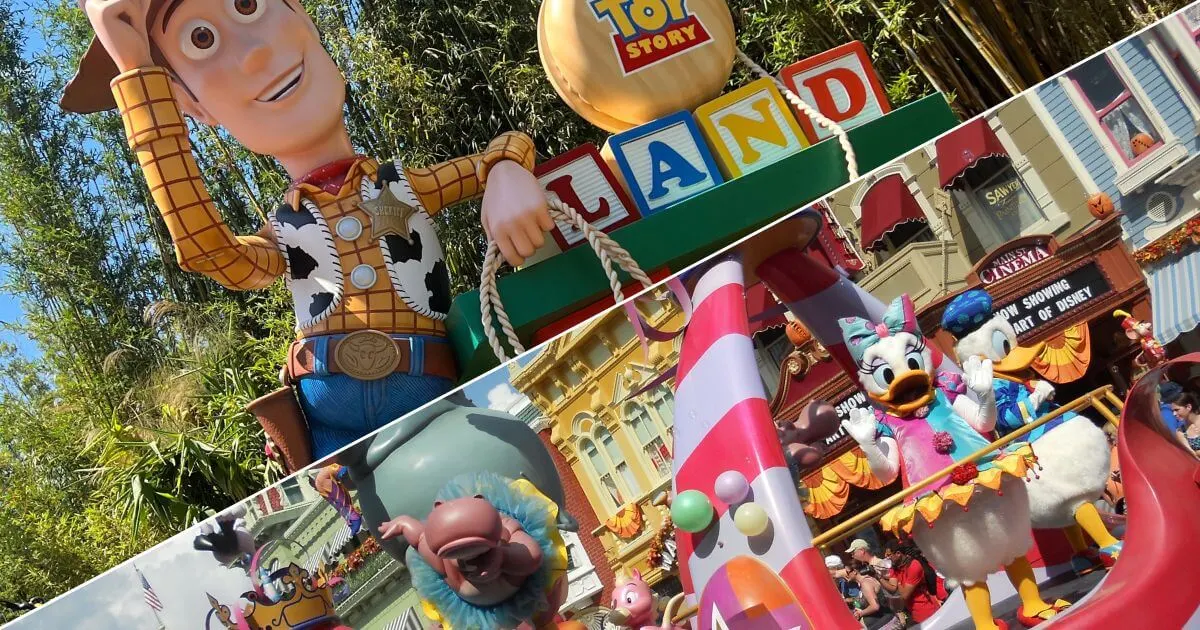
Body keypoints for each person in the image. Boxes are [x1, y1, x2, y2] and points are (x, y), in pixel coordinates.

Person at [62, 0, 555, 464]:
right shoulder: (283, 227)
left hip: (424, 380)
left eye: (249, 5)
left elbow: (496, 153)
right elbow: (209, 253)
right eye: (202, 38)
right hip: (325, 408)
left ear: (301, 12)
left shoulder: (399, 187)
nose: (254, 55)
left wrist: (508, 170)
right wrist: (135, 71)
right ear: (192, 107)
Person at [881, 542, 943, 624]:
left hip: (927, 611)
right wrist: (879, 578)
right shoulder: (895, 567)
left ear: (898, 553)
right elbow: (892, 588)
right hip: (914, 613)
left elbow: (904, 595)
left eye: (889, 554)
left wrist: (898, 580)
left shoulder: (914, 566)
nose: (886, 557)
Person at [845, 560, 904, 630]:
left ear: (854, 571)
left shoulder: (865, 583)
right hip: (883, 624)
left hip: (885, 625)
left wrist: (860, 613)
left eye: (847, 572)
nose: (846, 575)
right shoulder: (866, 581)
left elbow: (875, 606)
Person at [1170, 391, 1200, 456]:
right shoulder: (1181, 431)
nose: (1174, 414)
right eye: (1173, 411)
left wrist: (1197, 452)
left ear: (1188, 407)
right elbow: (1191, 454)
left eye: (1177, 410)